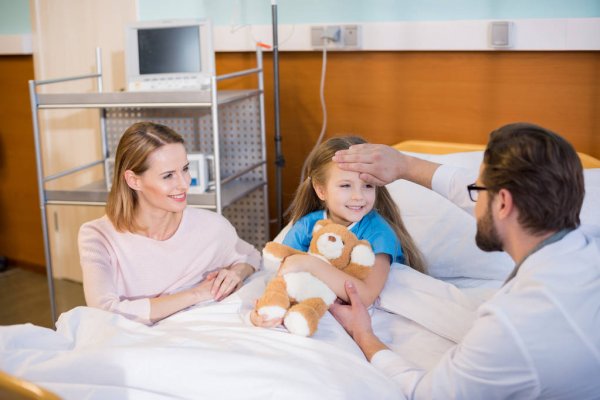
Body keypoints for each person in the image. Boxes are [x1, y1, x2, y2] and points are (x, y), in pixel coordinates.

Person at [329, 123, 600, 398]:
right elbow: (468, 188)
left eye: (479, 190)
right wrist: (404, 165)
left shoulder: (513, 324)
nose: (473, 198)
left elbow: (428, 395)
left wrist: (363, 334)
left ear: (503, 203)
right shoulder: (587, 244)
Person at [78, 122, 260, 325]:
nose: (184, 183)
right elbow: (103, 312)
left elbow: (251, 256)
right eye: (168, 175)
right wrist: (196, 294)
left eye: (185, 169)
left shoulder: (212, 226)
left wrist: (236, 273)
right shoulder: (97, 236)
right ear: (133, 180)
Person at [251, 136, 425, 328]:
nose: (358, 196)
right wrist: (267, 309)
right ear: (321, 190)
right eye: (345, 185)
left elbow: (366, 295)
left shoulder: (379, 233)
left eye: (368, 186)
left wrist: (311, 264)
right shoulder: (307, 226)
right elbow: (285, 277)